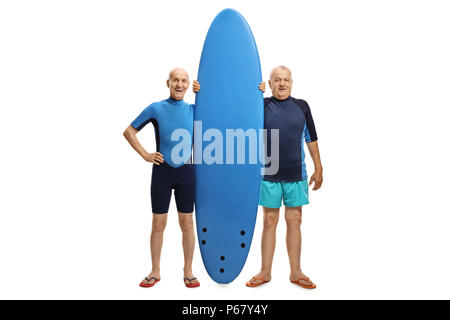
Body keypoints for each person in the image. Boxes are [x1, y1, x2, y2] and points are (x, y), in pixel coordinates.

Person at [123, 68, 201, 288]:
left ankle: (188, 271)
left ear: (188, 84)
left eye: (184, 81)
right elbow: (129, 131)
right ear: (168, 82)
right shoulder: (156, 108)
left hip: (187, 172)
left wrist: (202, 92)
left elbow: (221, 108)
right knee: (158, 223)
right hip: (163, 172)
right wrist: (146, 155)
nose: (179, 84)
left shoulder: (195, 109)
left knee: (187, 223)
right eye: (175, 80)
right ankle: (155, 270)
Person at [246, 66, 323, 289]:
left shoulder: (302, 106)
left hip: (296, 174)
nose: (282, 84)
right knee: (269, 221)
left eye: (286, 80)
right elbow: (242, 108)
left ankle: (296, 272)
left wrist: (319, 167)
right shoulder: (262, 105)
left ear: (291, 82)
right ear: (270, 84)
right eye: (277, 80)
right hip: (268, 174)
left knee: (295, 221)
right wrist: (255, 92)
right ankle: (265, 271)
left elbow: (311, 137)